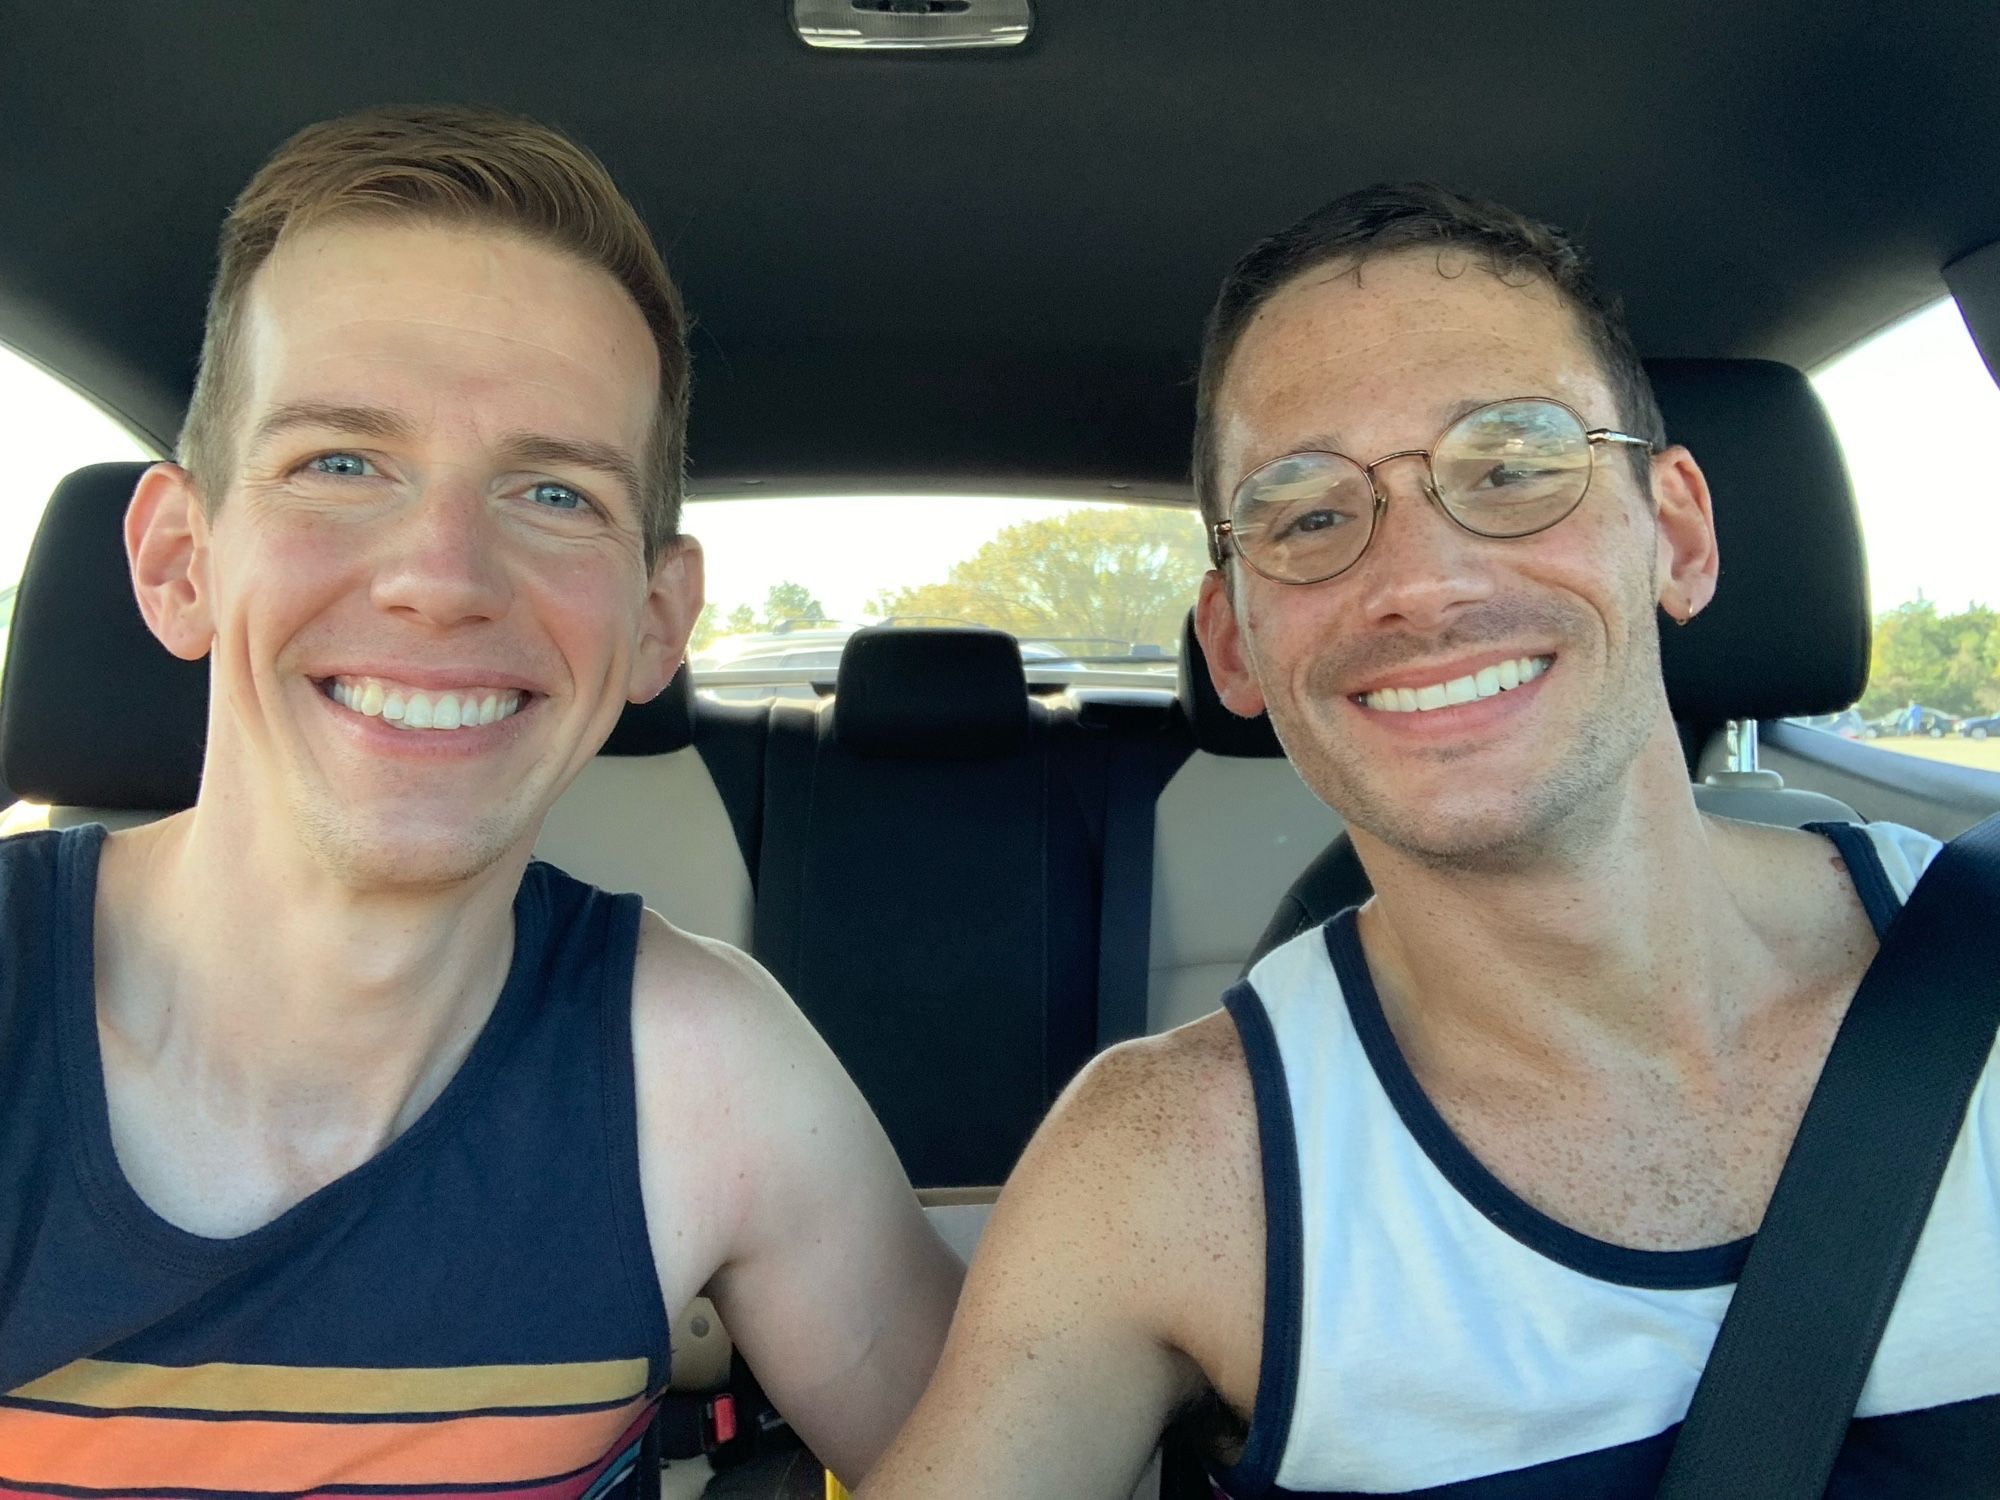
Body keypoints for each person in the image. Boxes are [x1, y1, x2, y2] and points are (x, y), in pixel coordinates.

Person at [861, 185, 1999, 1498]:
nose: (1421, 582)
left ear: (1676, 536)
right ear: (1234, 646)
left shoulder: (1983, 966)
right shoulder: (1166, 1169)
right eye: (1307, 515)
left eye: (1514, 466)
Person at [0, 106, 960, 1494]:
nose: (441, 574)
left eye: (555, 493)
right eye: (341, 462)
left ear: (654, 620)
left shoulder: (703, 1075)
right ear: (176, 560)